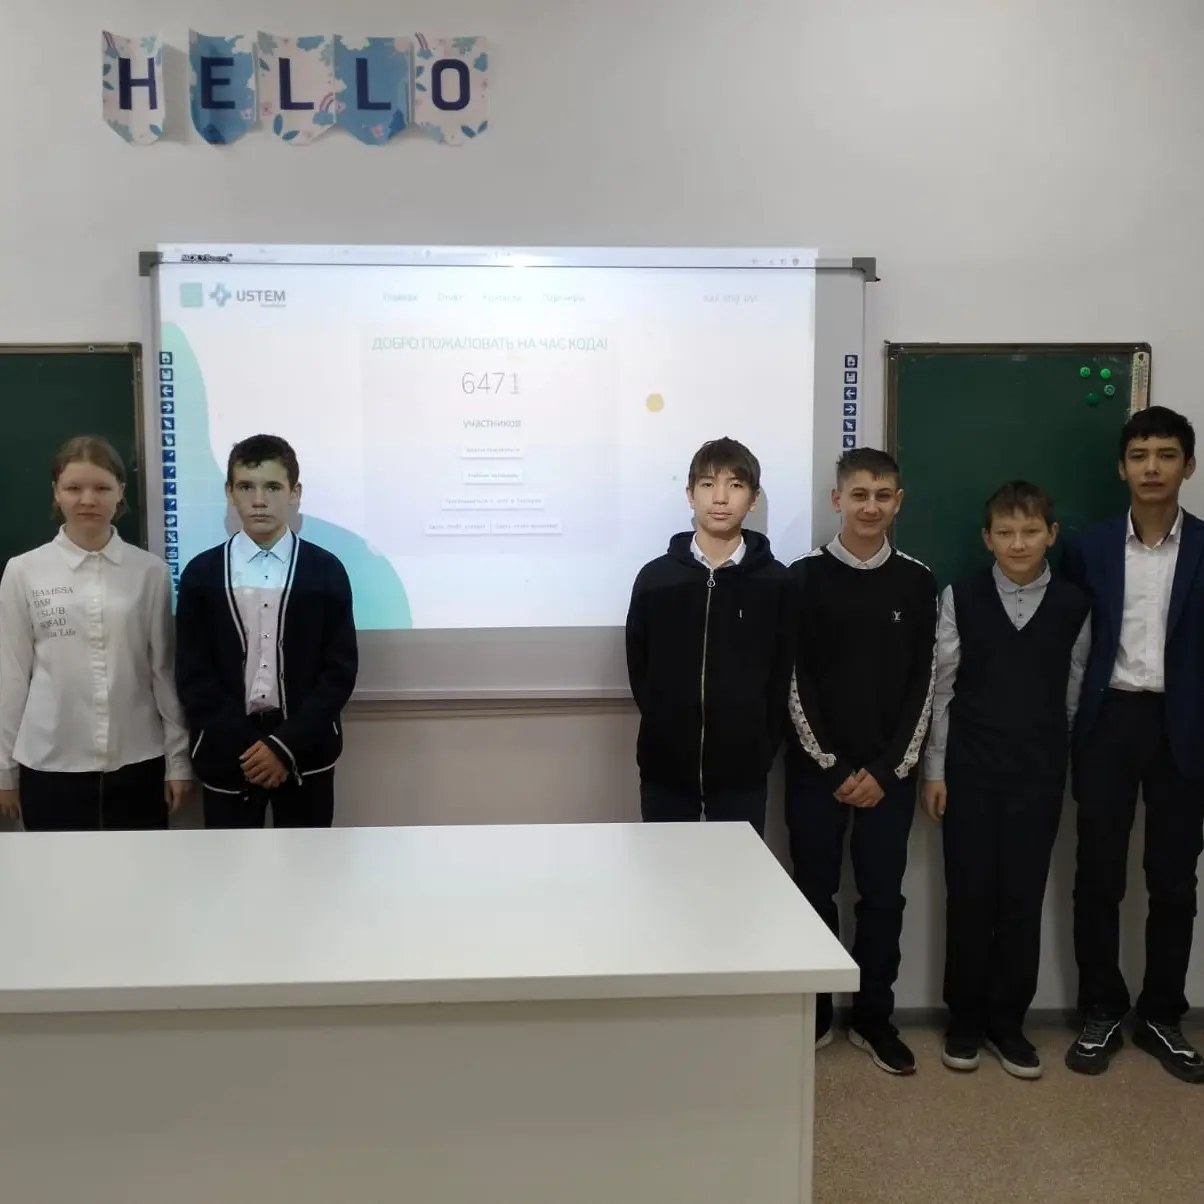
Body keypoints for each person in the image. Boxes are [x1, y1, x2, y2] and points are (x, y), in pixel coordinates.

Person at [921, 482, 1090, 1079]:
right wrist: (935, 770)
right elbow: (943, 690)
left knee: (1022, 898)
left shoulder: (1075, 605)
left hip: (1038, 775)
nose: (1018, 543)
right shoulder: (960, 597)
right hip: (968, 772)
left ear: (1052, 535)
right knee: (969, 895)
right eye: (1006, 533)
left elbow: (1073, 695)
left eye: (1031, 531)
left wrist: (1054, 756)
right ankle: (964, 1020)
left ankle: (1008, 1023)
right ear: (987, 538)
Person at [1063, 406, 1204, 1084]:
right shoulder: (1088, 548)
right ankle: (1101, 1009)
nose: (1152, 467)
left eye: (1167, 455)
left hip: (1184, 727)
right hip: (1109, 722)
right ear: (1122, 467)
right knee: (1098, 875)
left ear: (1188, 466)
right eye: (1140, 455)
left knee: (1174, 880)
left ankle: (1162, 1014)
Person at [785, 447, 936, 1074]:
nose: (870, 506)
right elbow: (794, 681)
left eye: (882, 495)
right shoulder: (801, 577)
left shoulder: (919, 581)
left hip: (888, 777)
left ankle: (875, 1019)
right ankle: (817, 1014)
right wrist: (833, 766)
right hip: (815, 773)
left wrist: (886, 770)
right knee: (813, 893)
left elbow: (925, 683)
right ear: (836, 500)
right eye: (858, 495)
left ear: (898, 502)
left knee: (881, 899)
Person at [0, 436, 192, 830]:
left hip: (138, 760)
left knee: (140, 867)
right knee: (56, 869)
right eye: (74, 488)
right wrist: (4, 770)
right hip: (49, 762)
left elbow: (163, 672)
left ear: (120, 492)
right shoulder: (23, 571)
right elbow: (12, 675)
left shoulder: (150, 572)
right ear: (56, 492)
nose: (88, 500)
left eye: (102, 488)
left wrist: (178, 762)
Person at [175, 434, 358, 829]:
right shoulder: (201, 575)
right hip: (228, 753)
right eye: (246, 487)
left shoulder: (325, 571)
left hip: (306, 750)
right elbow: (193, 675)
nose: (259, 500)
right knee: (231, 864)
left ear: (295, 493)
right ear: (230, 492)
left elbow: (339, 672)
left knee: (307, 862)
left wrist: (282, 746)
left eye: (273, 487)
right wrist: (248, 746)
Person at [625, 437, 794, 836]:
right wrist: (664, 725)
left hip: (742, 771)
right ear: (690, 494)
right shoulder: (655, 579)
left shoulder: (777, 582)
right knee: (665, 869)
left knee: (735, 873)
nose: (720, 498)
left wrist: (760, 746)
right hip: (666, 767)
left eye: (735, 485)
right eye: (707, 484)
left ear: (753, 499)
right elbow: (639, 666)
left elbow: (782, 673)